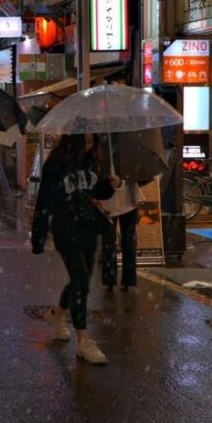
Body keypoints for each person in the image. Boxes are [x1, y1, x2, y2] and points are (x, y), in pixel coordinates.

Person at [31, 133, 121, 365]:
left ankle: (57, 314)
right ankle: (84, 341)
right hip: (65, 226)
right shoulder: (57, 163)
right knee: (81, 279)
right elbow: (44, 199)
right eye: (87, 141)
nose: (90, 146)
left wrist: (110, 185)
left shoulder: (93, 160)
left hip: (89, 226)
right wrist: (38, 236)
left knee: (81, 279)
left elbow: (96, 191)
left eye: (94, 142)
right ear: (75, 139)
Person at [101, 179, 143, 292]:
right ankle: (129, 281)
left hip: (107, 203)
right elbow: (138, 176)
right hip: (129, 200)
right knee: (128, 242)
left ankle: (109, 280)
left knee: (108, 243)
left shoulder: (103, 162)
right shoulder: (129, 162)